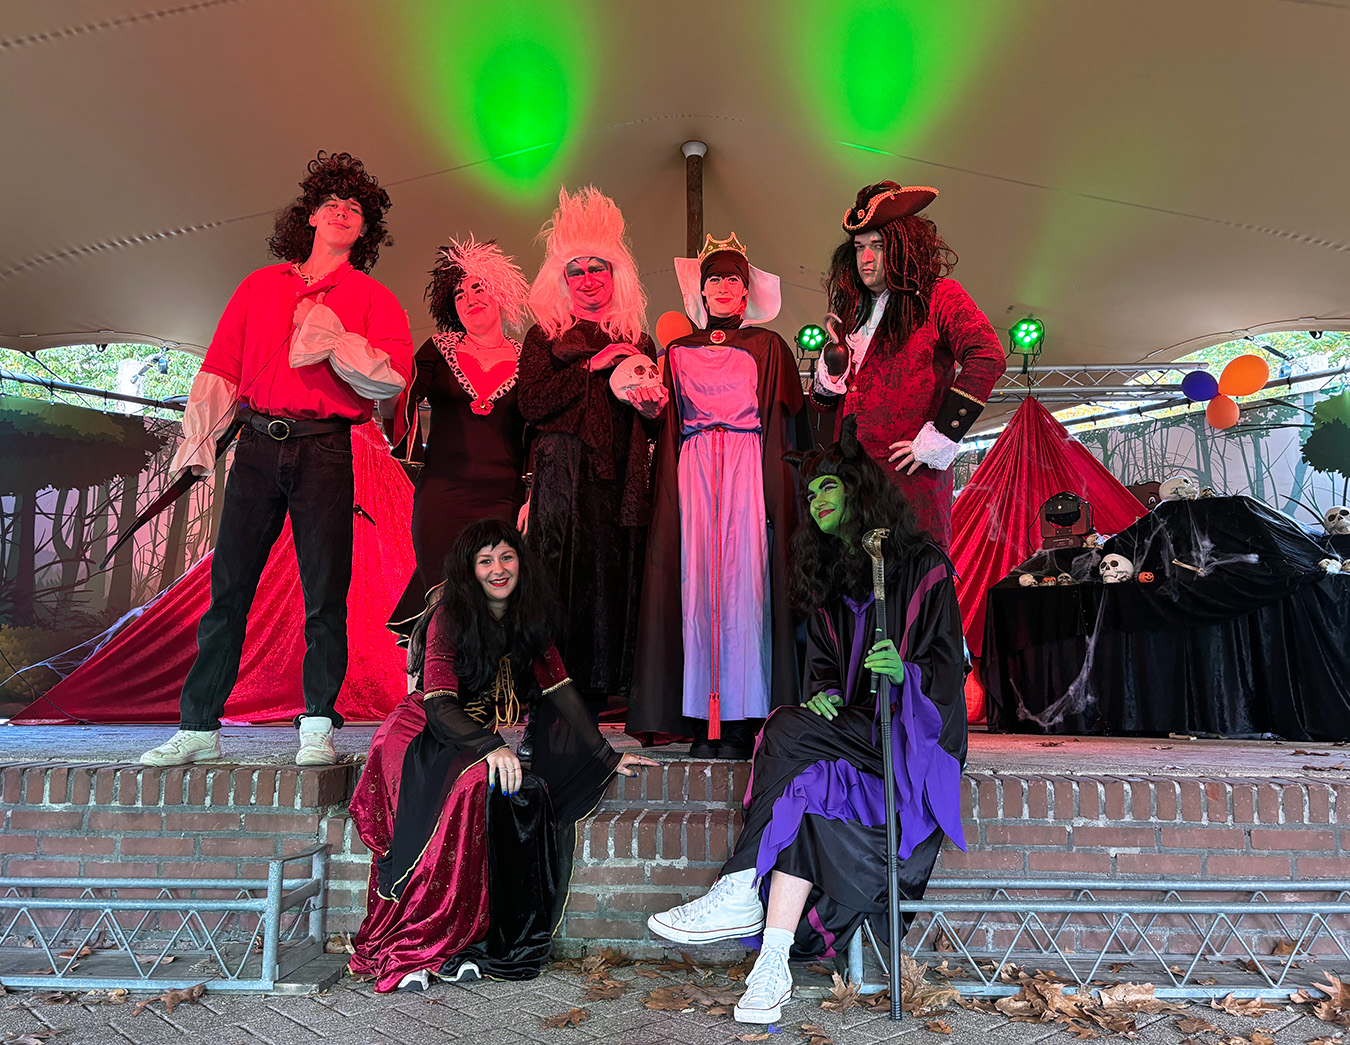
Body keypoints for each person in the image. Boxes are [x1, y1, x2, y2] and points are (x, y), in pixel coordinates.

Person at [647, 418, 968, 1025]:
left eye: (829, 487)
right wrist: (823, 695)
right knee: (802, 795)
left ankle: (740, 884)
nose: (817, 500)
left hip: (910, 739)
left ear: (859, 490)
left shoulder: (922, 564)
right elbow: (822, 668)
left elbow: (950, 664)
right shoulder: (831, 579)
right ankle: (771, 966)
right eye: (812, 491)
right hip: (854, 733)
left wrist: (906, 671)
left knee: (783, 729)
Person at [141, 151, 414, 768]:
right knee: (229, 588)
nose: (342, 213)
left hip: (326, 447)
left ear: (365, 229)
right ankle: (198, 728)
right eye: (331, 204)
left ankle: (317, 723)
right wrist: (198, 444)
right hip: (258, 445)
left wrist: (333, 338)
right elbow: (221, 367)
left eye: (355, 208)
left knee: (326, 593)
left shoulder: (373, 297)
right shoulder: (260, 286)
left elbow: (391, 379)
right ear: (310, 216)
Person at [348, 520, 657, 992]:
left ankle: (463, 941)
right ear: (469, 569)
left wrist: (605, 755)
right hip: (419, 734)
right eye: (485, 560)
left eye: (507, 557)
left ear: (520, 562)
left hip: (471, 740)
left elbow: (560, 688)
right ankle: (416, 942)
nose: (498, 569)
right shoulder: (450, 615)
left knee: (504, 794)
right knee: (471, 789)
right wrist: (492, 746)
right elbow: (438, 704)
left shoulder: (527, 616)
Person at [628, 234, 804, 758]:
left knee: (746, 586)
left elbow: (792, 424)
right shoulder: (676, 352)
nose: (723, 287)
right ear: (701, 291)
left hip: (749, 469)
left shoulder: (768, 346)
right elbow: (660, 420)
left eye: (732, 279)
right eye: (714, 279)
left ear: (746, 291)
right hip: (694, 471)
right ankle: (703, 718)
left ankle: (743, 717)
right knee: (697, 586)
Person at [516, 186, 667, 718]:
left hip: (618, 477)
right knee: (558, 577)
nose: (587, 279)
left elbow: (652, 421)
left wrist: (653, 411)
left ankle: (606, 691)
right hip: (561, 479)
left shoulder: (639, 340)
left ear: (614, 273)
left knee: (612, 577)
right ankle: (554, 692)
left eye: (596, 268)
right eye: (576, 271)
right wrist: (592, 366)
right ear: (562, 279)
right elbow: (531, 403)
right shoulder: (543, 337)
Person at [813, 182, 1004, 548]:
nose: (866, 258)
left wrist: (940, 436)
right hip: (852, 482)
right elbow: (825, 403)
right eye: (859, 247)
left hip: (908, 480)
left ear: (903, 248)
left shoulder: (940, 296)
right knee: (856, 578)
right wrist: (831, 372)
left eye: (878, 246)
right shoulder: (852, 311)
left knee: (913, 575)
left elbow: (987, 355)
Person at [384, 236, 531, 644]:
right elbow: (400, 399)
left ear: (500, 292)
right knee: (444, 601)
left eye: (478, 288)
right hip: (442, 496)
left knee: (497, 604)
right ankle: (438, 680)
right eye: (459, 295)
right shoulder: (438, 348)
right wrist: (387, 365)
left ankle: (494, 683)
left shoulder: (528, 357)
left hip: (505, 498)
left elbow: (538, 429)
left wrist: (532, 494)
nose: (469, 299)